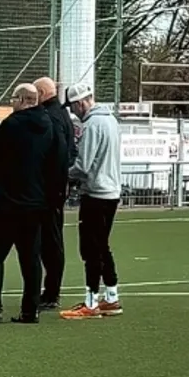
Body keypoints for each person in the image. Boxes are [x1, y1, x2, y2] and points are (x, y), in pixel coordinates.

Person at [0, 84, 53, 324]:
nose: (12, 102)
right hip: (35, 200)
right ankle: (30, 309)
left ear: (22, 100)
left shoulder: (12, 124)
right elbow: (55, 159)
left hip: (8, 201)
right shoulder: (48, 125)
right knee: (30, 258)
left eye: (14, 98)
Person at [60, 85, 124, 320]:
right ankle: (111, 296)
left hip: (96, 193)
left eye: (73, 107)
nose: (73, 112)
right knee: (102, 245)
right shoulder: (110, 120)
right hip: (111, 191)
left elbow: (83, 166)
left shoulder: (92, 124)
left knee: (90, 249)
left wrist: (61, 174)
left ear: (80, 103)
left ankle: (91, 301)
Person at [34, 76, 75, 310]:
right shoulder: (61, 114)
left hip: (49, 189)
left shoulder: (50, 117)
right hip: (55, 187)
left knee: (50, 242)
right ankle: (50, 290)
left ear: (41, 93)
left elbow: (57, 154)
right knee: (50, 240)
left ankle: (51, 292)